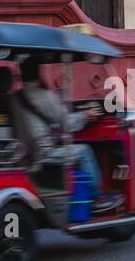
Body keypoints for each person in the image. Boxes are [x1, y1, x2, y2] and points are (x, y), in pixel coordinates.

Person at [16, 56, 103, 190]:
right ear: (38, 73)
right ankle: (95, 195)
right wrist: (86, 115)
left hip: (21, 153)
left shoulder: (14, 98)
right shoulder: (45, 96)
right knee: (85, 151)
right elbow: (66, 124)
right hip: (43, 154)